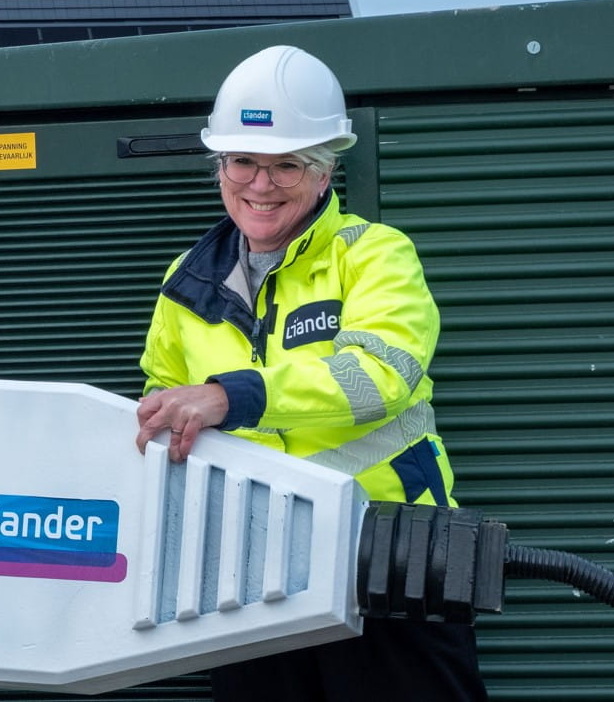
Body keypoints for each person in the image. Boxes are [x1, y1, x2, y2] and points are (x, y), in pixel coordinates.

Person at [133, 45, 486, 701]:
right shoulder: (184, 281)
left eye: (285, 164)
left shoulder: (375, 254)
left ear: (323, 172)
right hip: (250, 566)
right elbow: (162, 397)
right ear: (220, 167)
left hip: (390, 552)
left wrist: (227, 396)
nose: (259, 184)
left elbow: (377, 374)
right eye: (243, 161)